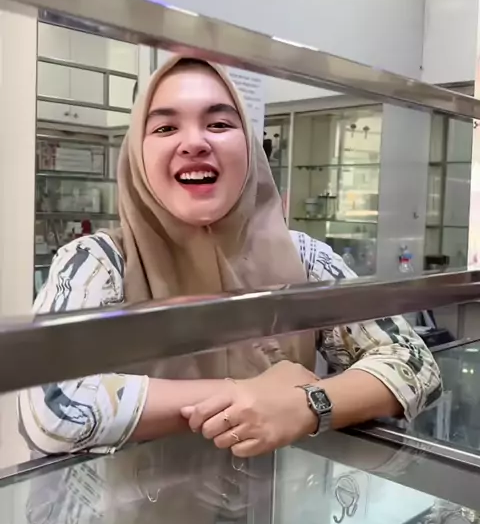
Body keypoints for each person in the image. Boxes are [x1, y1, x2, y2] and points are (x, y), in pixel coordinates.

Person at [19, 56, 441, 458]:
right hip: (139, 506)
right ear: (137, 156)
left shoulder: (305, 260)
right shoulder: (99, 263)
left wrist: (308, 405)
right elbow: (52, 407)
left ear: (251, 148)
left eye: (219, 124)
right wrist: (251, 395)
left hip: (279, 502)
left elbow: (415, 363)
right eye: (165, 128)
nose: (194, 143)